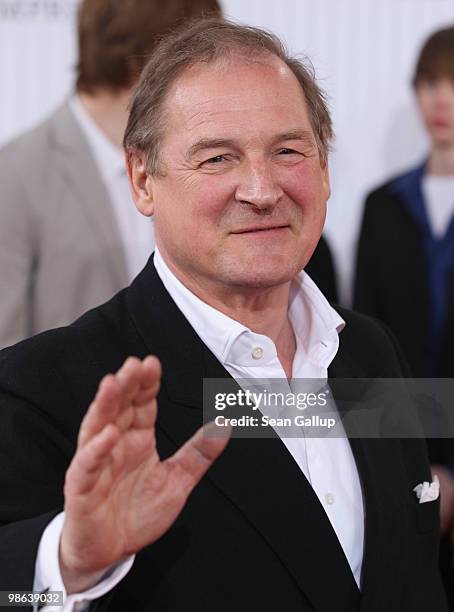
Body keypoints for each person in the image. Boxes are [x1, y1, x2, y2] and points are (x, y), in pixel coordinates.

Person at [0, 18, 448, 612]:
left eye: (288, 150)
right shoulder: (42, 388)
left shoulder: (371, 349)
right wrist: (70, 564)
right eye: (217, 159)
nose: (262, 189)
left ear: (324, 168)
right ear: (142, 179)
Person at [0, 0, 220, 350]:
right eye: (199, 60)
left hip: (202, 398)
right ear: (153, 64)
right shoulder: (15, 174)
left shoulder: (207, 161)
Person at [354, 26, 454, 604]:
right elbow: (366, 344)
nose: (440, 99)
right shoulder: (382, 206)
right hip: (401, 457)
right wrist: (414, 464)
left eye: (452, 83)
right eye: (429, 83)